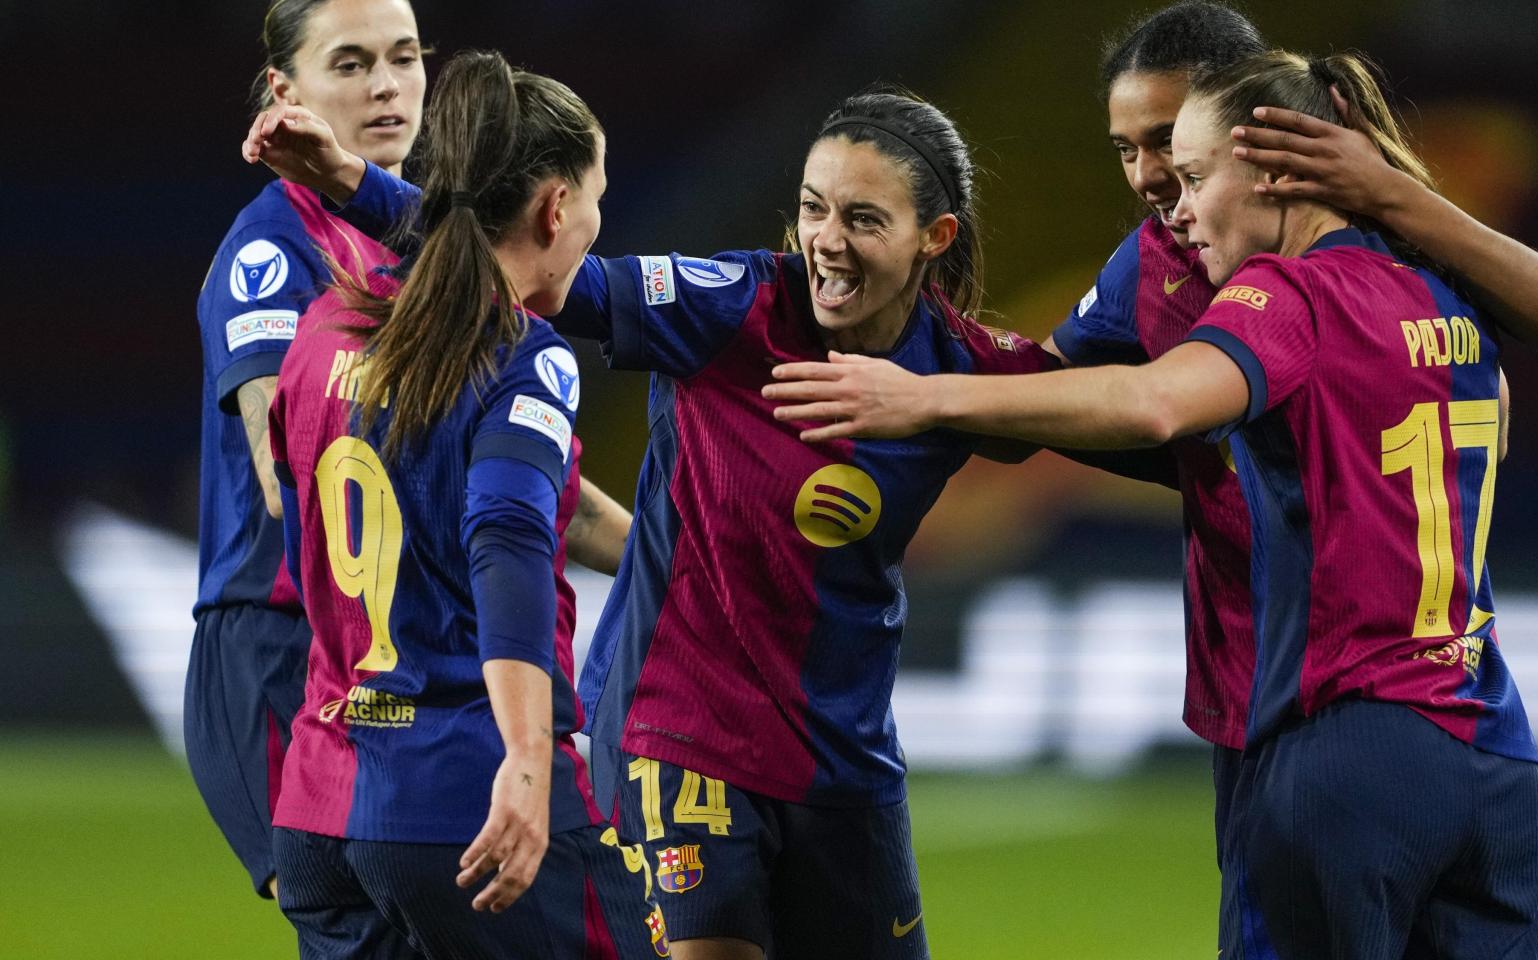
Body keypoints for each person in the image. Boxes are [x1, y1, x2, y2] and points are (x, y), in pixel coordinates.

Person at [246, 84, 1143, 959]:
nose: (826, 242)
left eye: (864, 220)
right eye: (812, 208)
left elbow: (1128, 418)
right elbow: (529, 258)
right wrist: (352, 183)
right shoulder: (731, 305)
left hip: (842, 755)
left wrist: (933, 399)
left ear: (933, 239)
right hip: (677, 735)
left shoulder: (959, 372)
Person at [771, 48, 1538, 958]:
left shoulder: (1285, 289)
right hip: (1492, 751)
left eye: (1190, 176)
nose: (1173, 208)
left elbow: (1155, 402)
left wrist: (926, 397)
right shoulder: (1443, 288)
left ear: (1268, 169)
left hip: (1346, 744)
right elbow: (1507, 395)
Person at [266, 50, 655, 958]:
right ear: (556, 206)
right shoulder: (522, 354)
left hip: (322, 804)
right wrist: (526, 760)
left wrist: (666, 560)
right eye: (597, 195)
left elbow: (305, 515)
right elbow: (508, 542)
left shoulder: (325, 327)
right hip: (470, 802)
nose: (597, 221)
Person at [189, 0, 425, 901]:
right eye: (352, 62)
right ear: (284, 91)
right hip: (280, 652)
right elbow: (286, 471)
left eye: (404, 57)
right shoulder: (275, 248)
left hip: (381, 650)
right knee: (365, 923)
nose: (387, 85)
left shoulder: (420, 244)